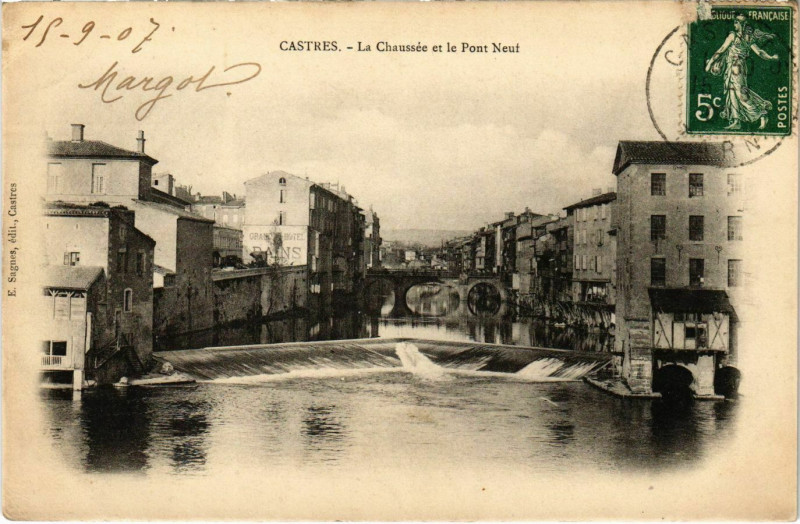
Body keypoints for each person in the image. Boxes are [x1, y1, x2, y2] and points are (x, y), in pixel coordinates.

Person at [705, 14, 779, 130]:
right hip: (731, 67)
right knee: (732, 92)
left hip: (738, 67)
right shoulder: (734, 36)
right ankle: (736, 121)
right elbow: (722, 50)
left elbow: (759, 52)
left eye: (736, 22)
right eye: (734, 22)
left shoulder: (745, 38)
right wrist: (710, 64)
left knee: (740, 93)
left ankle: (761, 114)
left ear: (742, 24)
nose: (735, 24)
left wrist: (770, 57)